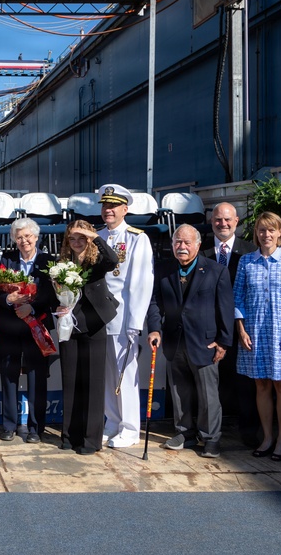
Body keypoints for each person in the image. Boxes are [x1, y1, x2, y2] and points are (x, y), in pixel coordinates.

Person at [147, 224, 234, 458]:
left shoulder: (216, 271)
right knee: (179, 392)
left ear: (197, 245)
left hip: (205, 344)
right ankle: (184, 433)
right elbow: (155, 303)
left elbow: (225, 309)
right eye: (177, 242)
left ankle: (210, 438)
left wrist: (223, 342)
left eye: (187, 243)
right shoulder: (163, 269)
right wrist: (154, 329)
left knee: (208, 396)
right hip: (174, 342)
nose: (182, 247)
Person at [234, 211, 281, 462]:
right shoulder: (247, 261)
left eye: (271, 230)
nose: (266, 234)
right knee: (261, 384)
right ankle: (266, 437)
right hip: (254, 332)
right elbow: (238, 299)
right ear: (256, 233)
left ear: (280, 233)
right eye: (262, 230)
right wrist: (241, 329)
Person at [96, 184, 153, 448]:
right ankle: (112, 422)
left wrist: (135, 322)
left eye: (113, 206)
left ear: (125, 209)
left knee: (125, 375)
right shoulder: (96, 237)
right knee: (107, 374)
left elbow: (141, 283)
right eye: (105, 205)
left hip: (122, 318)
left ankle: (130, 429)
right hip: (99, 318)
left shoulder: (136, 238)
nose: (108, 210)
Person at [55, 220, 118, 455]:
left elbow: (113, 261)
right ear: (67, 241)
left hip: (94, 325)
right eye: (73, 238)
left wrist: (95, 237)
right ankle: (69, 436)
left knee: (92, 382)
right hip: (69, 327)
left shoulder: (97, 261)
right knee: (70, 381)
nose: (77, 242)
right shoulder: (61, 263)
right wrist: (59, 307)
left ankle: (91, 440)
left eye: (82, 238)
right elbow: (55, 292)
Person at [0, 217, 55, 444]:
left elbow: (51, 294)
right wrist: (8, 298)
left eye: (28, 236)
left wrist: (32, 306)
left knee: (37, 376)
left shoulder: (48, 261)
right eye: (19, 237)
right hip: (10, 325)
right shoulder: (6, 260)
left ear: (36, 237)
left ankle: (36, 428)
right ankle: (9, 425)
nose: (24, 241)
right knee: (8, 375)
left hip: (36, 326)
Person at [201, 201, 260, 446]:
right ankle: (211, 432)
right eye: (217, 219)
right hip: (208, 329)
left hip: (242, 328)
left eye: (227, 220)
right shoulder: (200, 249)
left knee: (245, 383)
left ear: (236, 221)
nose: (222, 224)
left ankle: (249, 431)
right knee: (212, 384)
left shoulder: (250, 251)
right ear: (211, 221)